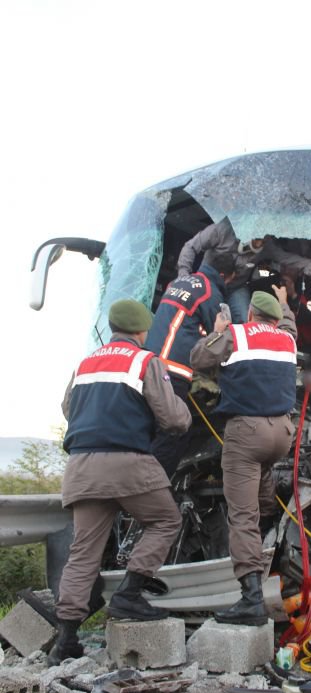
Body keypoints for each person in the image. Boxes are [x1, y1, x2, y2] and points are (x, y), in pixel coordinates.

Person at [48, 299, 192, 666]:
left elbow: (68, 407)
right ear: (143, 331)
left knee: (83, 552)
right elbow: (174, 420)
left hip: (81, 466)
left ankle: (65, 641)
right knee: (166, 521)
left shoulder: (84, 364)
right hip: (128, 463)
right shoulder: (145, 361)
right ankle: (130, 593)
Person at [190, 287, 297, 625]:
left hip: (246, 434)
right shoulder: (287, 339)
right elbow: (290, 325)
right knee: (262, 483)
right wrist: (284, 301)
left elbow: (198, 359)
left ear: (249, 314)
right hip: (281, 434)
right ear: (276, 318)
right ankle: (267, 530)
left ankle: (251, 598)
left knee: (241, 516)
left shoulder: (236, 334)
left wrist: (220, 329)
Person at [145, 251, 236, 478]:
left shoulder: (178, 282)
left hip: (149, 366)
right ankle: (150, 489)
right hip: (173, 372)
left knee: (150, 431)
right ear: (225, 275)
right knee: (176, 433)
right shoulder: (210, 293)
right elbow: (216, 344)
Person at [176, 216, 311, 322]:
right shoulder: (222, 230)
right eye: (258, 239)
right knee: (199, 313)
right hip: (208, 281)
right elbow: (190, 247)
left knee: (245, 319)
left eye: (264, 239)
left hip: (236, 287)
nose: (260, 244)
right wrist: (184, 278)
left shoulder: (267, 245)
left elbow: (287, 258)